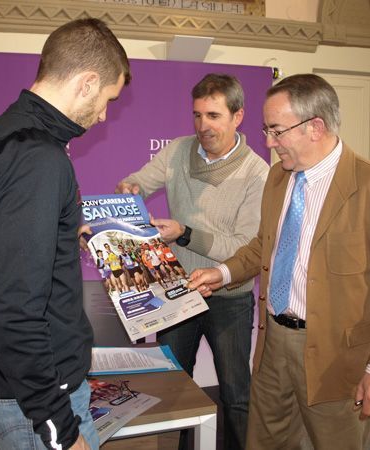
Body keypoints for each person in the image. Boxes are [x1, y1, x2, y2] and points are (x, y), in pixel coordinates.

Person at [187, 74, 370, 449]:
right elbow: (264, 245)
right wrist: (222, 272)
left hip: (336, 354)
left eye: (276, 130)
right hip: (272, 344)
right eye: (266, 129)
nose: (267, 142)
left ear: (315, 127)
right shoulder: (279, 179)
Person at [0, 18, 131, 450]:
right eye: (108, 99)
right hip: (36, 401)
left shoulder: (1, 132)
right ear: (87, 82)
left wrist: (60, 229)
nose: (105, 115)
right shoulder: (38, 157)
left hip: (9, 387)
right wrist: (60, 430)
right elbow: (15, 310)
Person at [116, 73, 269, 450]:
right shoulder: (177, 151)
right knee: (172, 389)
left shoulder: (258, 173)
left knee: (235, 395)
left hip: (229, 298)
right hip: (176, 293)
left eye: (214, 115)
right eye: (198, 115)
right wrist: (130, 188)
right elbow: (138, 180)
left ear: (238, 116)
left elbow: (244, 247)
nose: (204, 125)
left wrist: (184, 233)